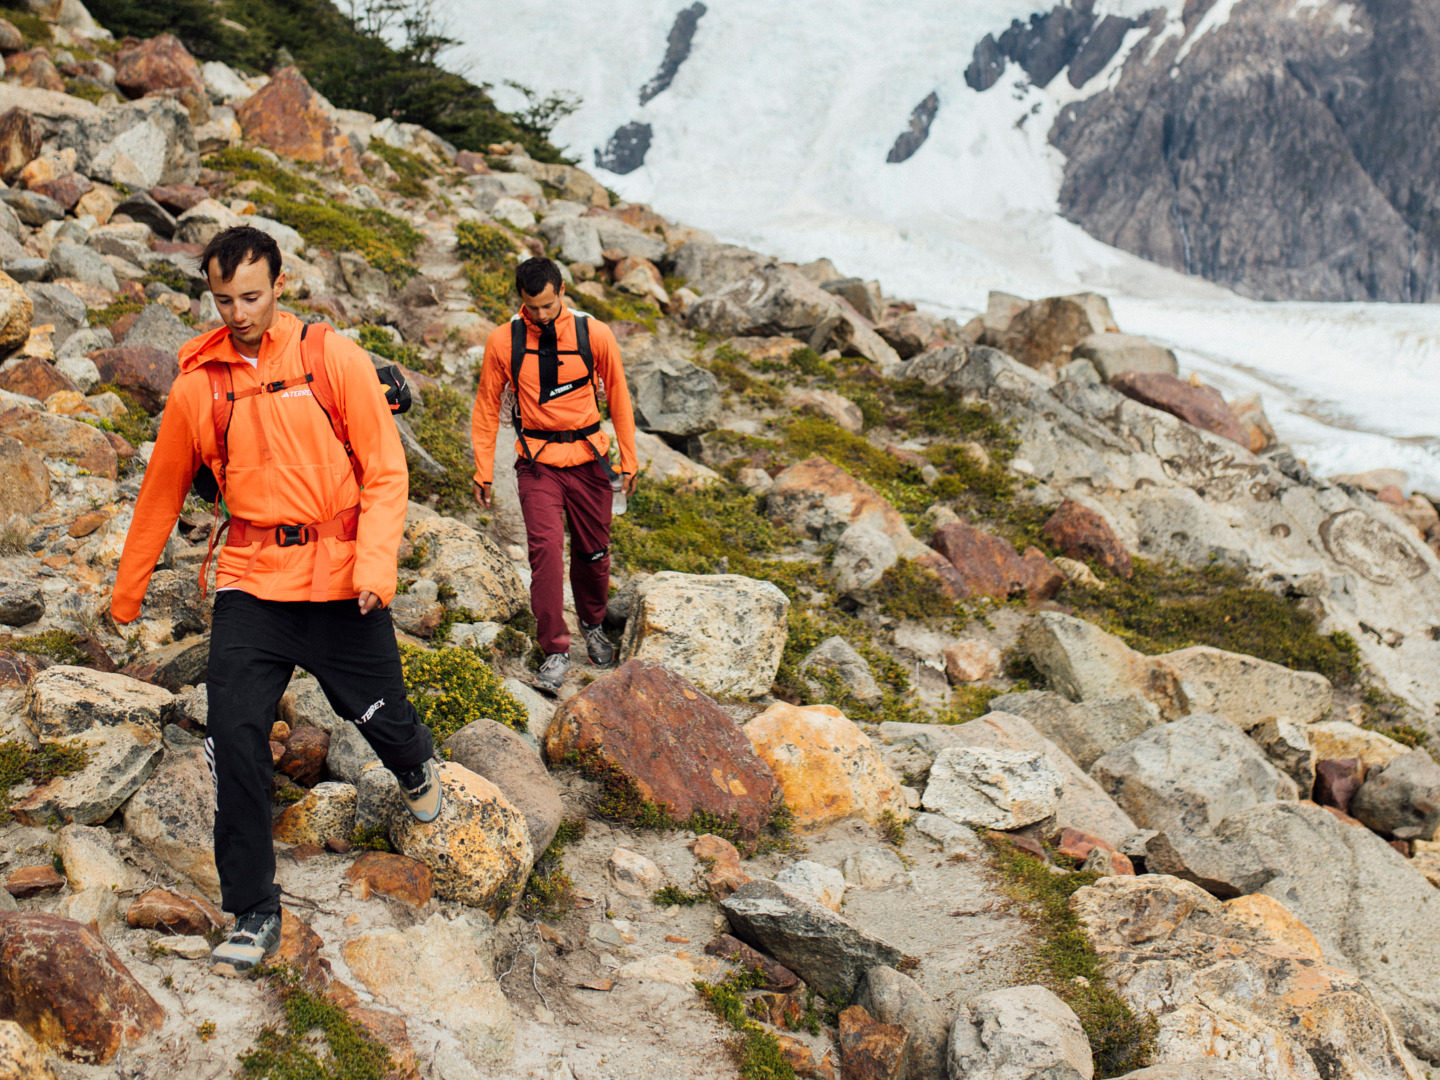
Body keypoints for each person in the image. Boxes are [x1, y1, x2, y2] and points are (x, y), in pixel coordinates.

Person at [110, 226, 441, 974]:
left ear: (280, 283)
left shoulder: (332, 357)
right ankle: (254, 910)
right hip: (252, 583)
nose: (238, 312)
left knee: (381, 715)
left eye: (251, 296)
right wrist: (128, 595)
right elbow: (162, 492)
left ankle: (415, 764)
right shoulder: (200, 385)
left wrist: (374, 566)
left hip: (340, 581)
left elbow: (386, 472)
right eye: (224, 298)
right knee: (234, 737)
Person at [471, 257, 638, 693]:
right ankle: (555, 649)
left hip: (589, 461)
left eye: (548, 305)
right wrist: (482, 469)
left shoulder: (593, 334)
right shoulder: (503, 342)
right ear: (520, 300)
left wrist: (630, 459)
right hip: (537, 463)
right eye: (532, 307)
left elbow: (618, 395)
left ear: (561, 291)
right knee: (545, 556)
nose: (541, 315)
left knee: (594, 554)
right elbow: (487, 406)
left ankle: (593, 623)